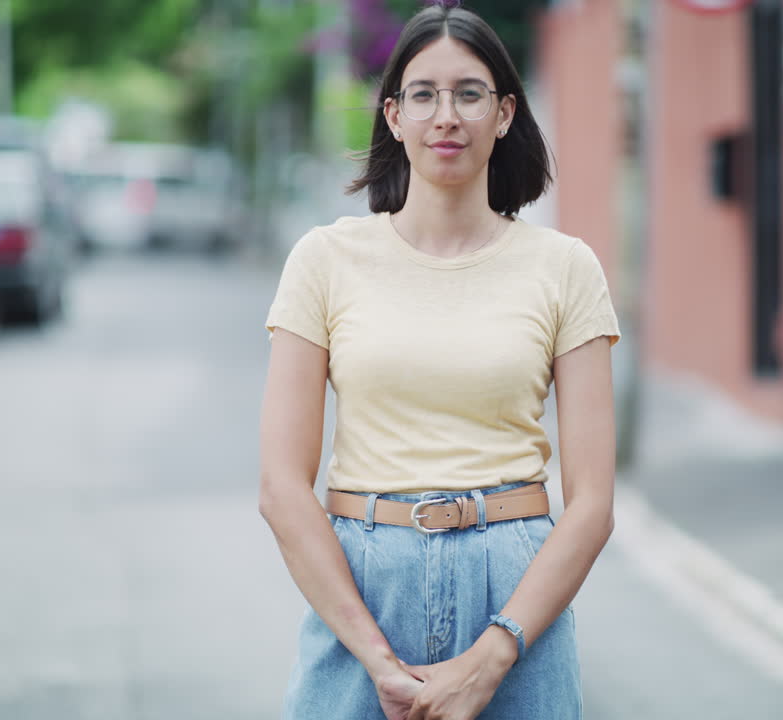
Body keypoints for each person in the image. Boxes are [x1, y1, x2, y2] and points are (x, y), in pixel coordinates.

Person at [259, 4, 619, 719]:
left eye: (469, 93)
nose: (445, 115)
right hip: (364, 584)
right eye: (422, 94)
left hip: (515, 595)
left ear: (505, 112)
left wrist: (493, 656)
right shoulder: (325, 261)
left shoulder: (565, 268)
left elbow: (593, 505)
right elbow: (280, 486)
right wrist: (375, 659)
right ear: (393, 116)